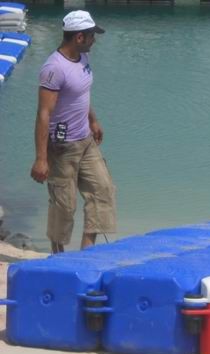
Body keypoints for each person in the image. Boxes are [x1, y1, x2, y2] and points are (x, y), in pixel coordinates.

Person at [30, 10, 116, 253]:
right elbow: (44, 114)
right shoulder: (54, 68)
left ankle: (87, 253)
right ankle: (58, 257)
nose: (94, 40)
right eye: (91, 35)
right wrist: (41, 158)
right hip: (62, 147)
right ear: (79, 37)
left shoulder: (83, 58)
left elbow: (80, 94)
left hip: (86, 141)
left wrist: (93, 120)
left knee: (103, 191)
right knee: (63, 206)